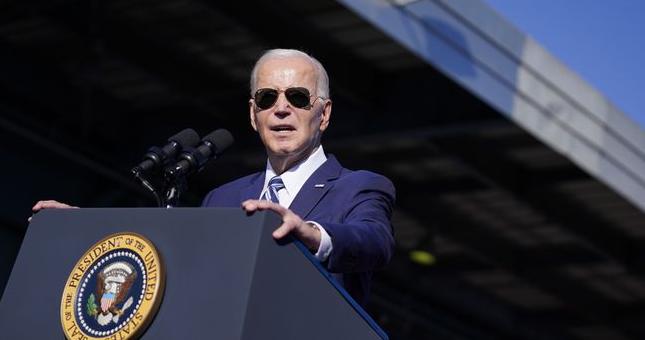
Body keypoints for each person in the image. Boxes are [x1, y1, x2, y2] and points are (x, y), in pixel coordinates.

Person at [33, 49, 395, 306]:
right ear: (254, 115)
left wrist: (310, 232)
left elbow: (374, 241)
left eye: (298, 97)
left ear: (324, 113)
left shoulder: (358, 186)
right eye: (267, 97)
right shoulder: (222, 197)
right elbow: (171, 265)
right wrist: (82, 230)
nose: (281, 107)